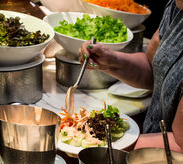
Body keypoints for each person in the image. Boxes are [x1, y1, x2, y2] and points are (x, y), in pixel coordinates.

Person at [78, 0, 183, 152]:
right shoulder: (177, 7)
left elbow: (180, 145)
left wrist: (97, 141)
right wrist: (111, 61)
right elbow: (154, 72)